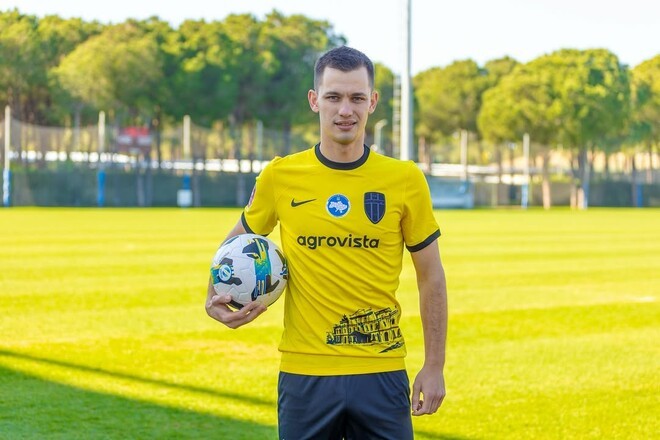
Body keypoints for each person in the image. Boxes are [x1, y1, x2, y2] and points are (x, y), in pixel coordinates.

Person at [206, 46, 448, 440]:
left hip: (381, 370)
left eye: (356, 98)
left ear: (372, 102)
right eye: (333, 97)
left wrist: (434, 365)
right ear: (314, 100)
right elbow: (235, 245)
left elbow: (431, 276)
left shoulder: (405, 179)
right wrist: (212, 296)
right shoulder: (280, 175)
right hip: (305, 374)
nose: (345, 110)